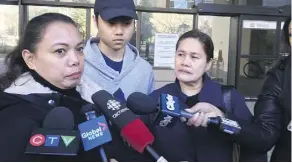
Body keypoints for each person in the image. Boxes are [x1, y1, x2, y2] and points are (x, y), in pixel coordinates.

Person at [0, 13, 151, 162]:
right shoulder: (13, 116)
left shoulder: (91, 98)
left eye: (79, 49)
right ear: (30, 59)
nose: (75, 60)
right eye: (60, 51)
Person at [149, 29, 266, 161]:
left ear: (208, 64)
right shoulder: (157, 98)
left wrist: (223, 117)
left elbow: (257, 141)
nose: (185, 62)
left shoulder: (229, 98)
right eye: (180, 54)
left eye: (194, 57)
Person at [83, 0, 155, 103]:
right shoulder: (78, 66)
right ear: (95, 21)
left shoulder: (145, 70)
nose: (119, 32)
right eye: (111, 23)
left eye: (126, 23)